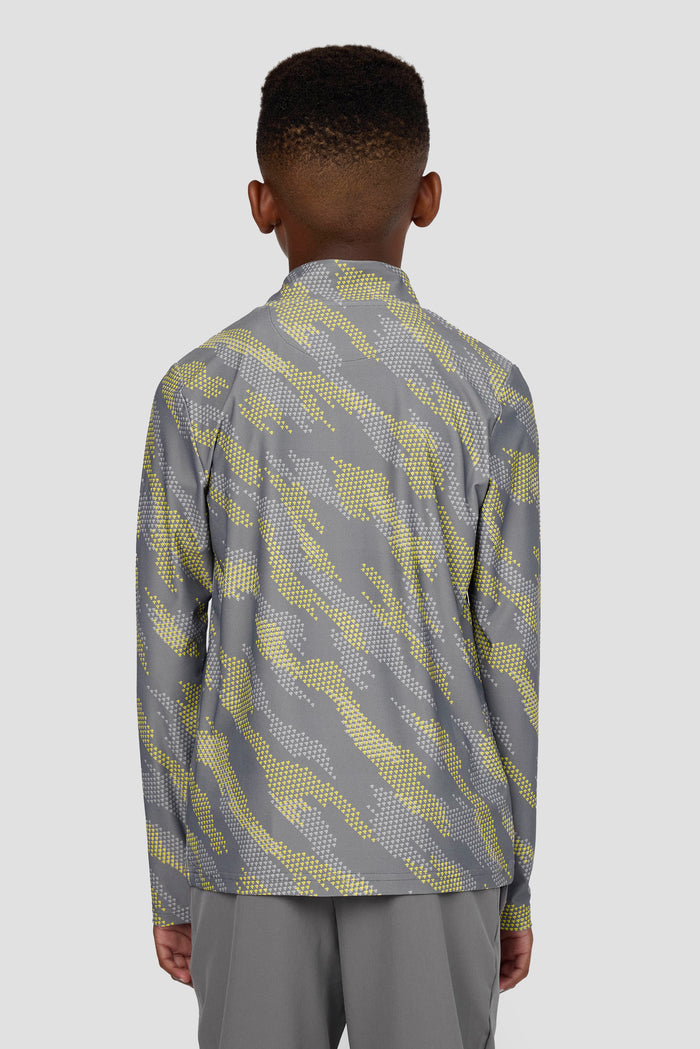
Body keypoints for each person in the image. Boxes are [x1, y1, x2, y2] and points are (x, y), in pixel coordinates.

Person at [135, 43, 541, 1049]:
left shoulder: (200, 388)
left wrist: (173, 873)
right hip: (439, 840)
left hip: (251, 842)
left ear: (261, 203)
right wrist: (514, 879)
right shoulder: (487, 391)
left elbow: (165, 649)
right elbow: (510, 652)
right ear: (428, 198)